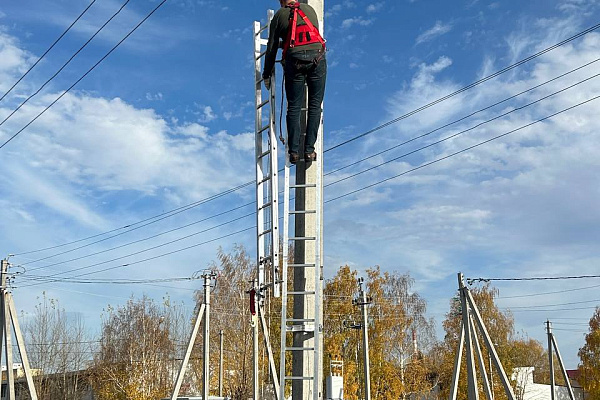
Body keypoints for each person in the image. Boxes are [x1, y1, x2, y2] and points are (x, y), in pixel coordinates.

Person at [262, 0, 327, 164]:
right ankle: (310, 151)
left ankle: (294, 152)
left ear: (281, 1)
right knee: (315, 105)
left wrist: (266, 73)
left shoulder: (279, 15)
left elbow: (271, 46)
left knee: (294, 107)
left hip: (295, 61)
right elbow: (308, 37)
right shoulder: (310, 10)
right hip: (317, 59)